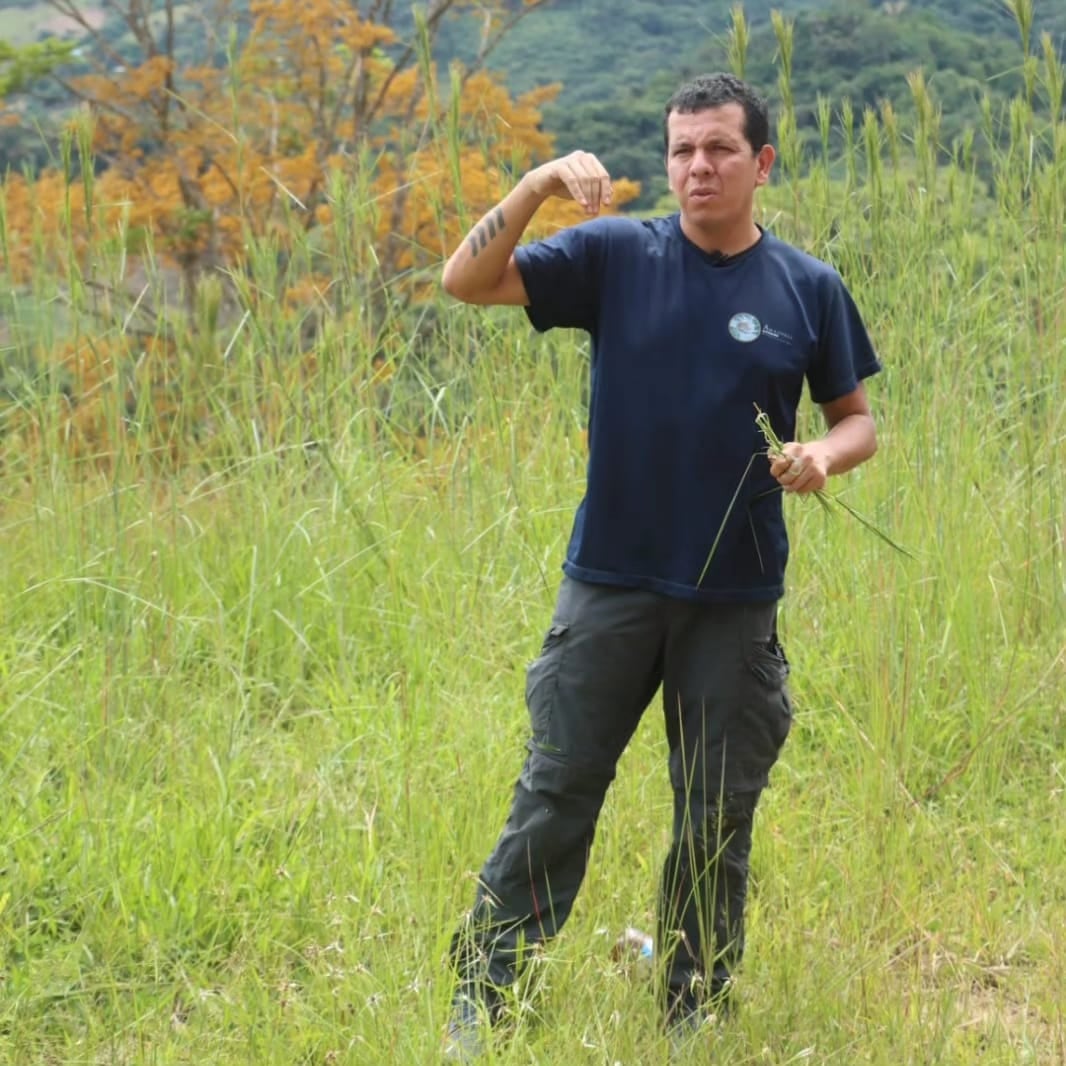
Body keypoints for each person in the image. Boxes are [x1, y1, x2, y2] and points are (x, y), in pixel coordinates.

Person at [439, 72, 881, 1059]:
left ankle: (692, 1008)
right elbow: (464, 282)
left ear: (760, 163)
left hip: (734, 596)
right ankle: (488, 999)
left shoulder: (806, 287)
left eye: (719, 149)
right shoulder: (613, 256)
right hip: (610, 582)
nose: (696, 167)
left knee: (714, 817)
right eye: (681, 149)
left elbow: (856, 420)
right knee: (553, 795)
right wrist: (535, 182)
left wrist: (820, 455)